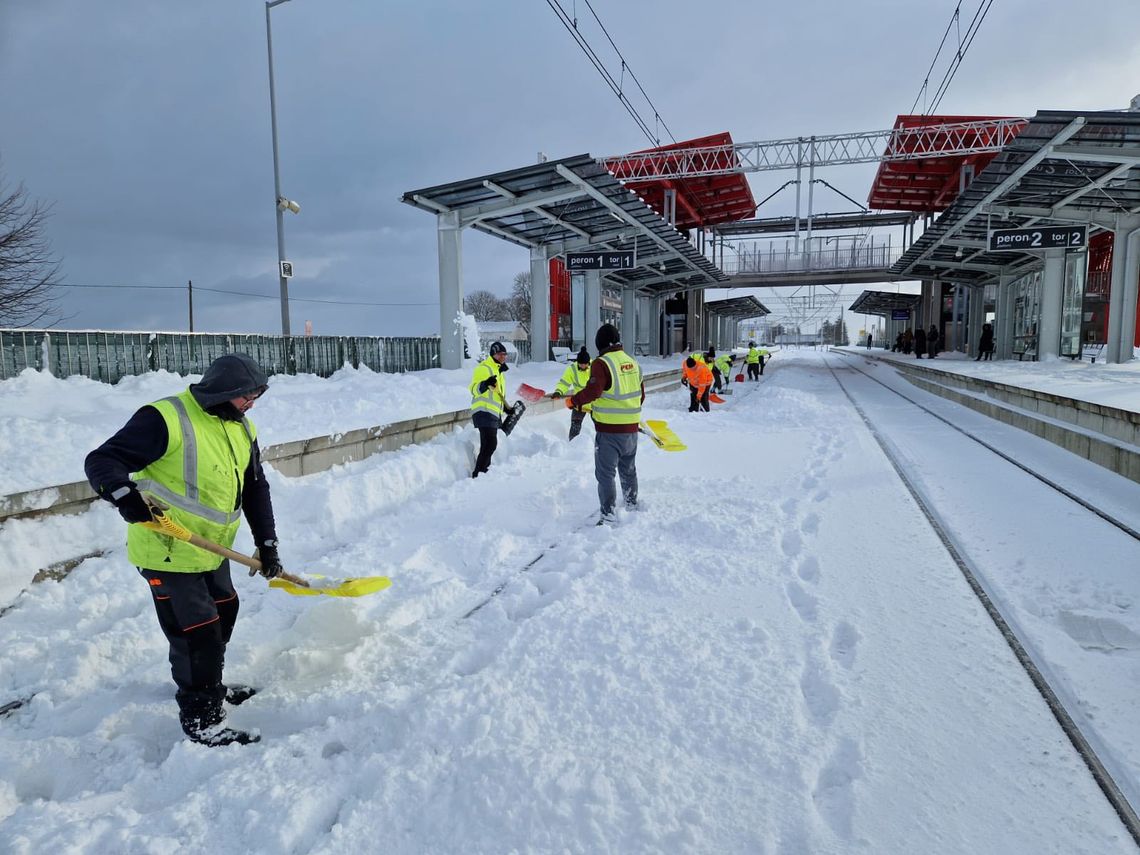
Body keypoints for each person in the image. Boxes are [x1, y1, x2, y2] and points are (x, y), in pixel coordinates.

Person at [84, 353, 281, 747]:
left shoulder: (240, 426)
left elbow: (256, 486)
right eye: (248, 395)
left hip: (212, 550)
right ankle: (201, 716)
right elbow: (103, 460)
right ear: (225, 391)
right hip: (168, 548)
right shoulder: (164, 418)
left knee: (225, 612)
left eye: (257, 395)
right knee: (198, 633)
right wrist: (125, 495)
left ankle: (209, 681)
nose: (253, 403)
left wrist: (268, 542)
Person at [567, 323, 644, 525]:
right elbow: (640, 396)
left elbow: (593, 391)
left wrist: (574, 401)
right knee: (629, 469)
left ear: (600, 344)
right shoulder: (633, 362)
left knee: (605, 474)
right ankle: (631, 504)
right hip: (632, 431)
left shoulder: (602, 363)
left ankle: (608, 514)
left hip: (609, 432)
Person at [469, 341, 511, 477]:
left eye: (505, 354)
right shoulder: (484, 368)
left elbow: (497, 394)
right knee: (491, 443)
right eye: (500, 354)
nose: (503, 357)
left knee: (488, 444)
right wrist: (485, 384)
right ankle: (478, 473)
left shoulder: (499, 372)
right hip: (483, 411)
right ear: (493, 354)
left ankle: (483, 471)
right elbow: (473, 389)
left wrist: (506, 408)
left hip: (492, 413)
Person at [550, 346, 592, 440]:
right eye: (580, 364)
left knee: (601, 427)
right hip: (579, 402)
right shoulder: (572, 369)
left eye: (585, 364)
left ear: (588, 363)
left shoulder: (595, 367)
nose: (583, 366)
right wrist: (558, 391)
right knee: (575, 426)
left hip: (595, 403)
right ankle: (572, 444)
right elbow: (564, 383)